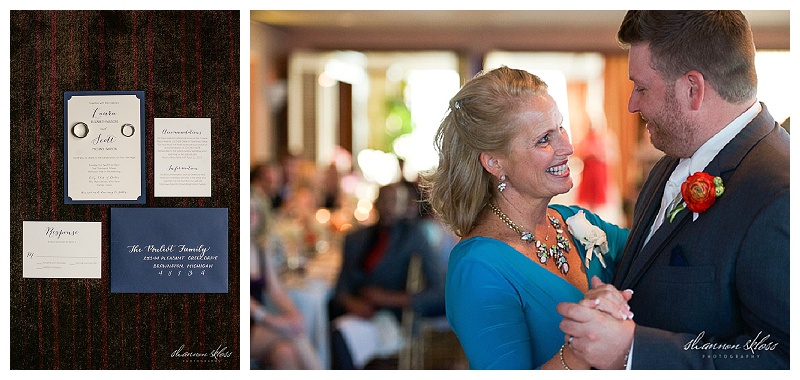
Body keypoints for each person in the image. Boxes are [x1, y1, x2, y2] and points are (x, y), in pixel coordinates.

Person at [557, 10, 789, 370]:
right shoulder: (670, 162)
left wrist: (633, 351)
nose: (632, 103)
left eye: (642, 87)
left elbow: (783, 359)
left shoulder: (781, 193)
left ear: (692, 89)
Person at [421, 65, 632, 370]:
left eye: (561, 127)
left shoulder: (577, 222)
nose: (568, 147)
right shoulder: (479, 266)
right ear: (494, 162)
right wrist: (581, 348)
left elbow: (659, 254)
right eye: (544, 139)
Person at [328, 181, 445, 369]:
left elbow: (439, 293)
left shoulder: (413, 236)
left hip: (394, 317)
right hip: (358, 313)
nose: (390, 207)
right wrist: (353, 303)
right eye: (385, 200)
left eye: (395, 201)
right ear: (376, 203)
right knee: (335, 332)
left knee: (341, 338)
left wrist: (387, 299)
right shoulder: (356, 239)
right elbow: (341, 288)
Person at [250, 197, 323, 370]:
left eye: (254, 211)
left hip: (258, 324)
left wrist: (293, 313)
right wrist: (278, 322)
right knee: (296, 335)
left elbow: (277, 292)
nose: (250, 216)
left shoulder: (260, 249)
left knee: (285, 352)